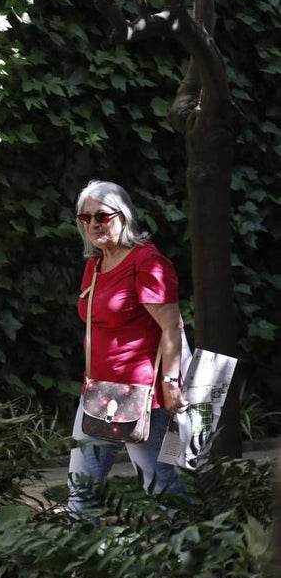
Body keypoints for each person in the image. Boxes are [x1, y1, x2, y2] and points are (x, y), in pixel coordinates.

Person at [67, 179, 188, 517]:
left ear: (124, 216)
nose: (93, 224)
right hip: (97, 393)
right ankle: (80, 568)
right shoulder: (94, 265)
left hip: (143, 395)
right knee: (81, 490)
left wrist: (170, 384)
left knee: (158, 483)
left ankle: (195, 556)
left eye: (102, 216)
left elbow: (171, 326)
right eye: (84, 218)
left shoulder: (147, 263)